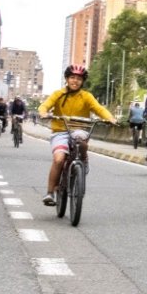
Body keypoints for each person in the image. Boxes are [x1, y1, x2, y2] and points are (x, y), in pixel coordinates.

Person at [36, 64, 116, 206]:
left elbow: (99, 109)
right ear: (67, 79)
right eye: (72, 77)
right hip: (60, 131)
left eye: (79, 78)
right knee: (59, 159)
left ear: (83, 81)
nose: (75, 81)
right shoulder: (58, 94)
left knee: (81, 140)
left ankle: (83, 160)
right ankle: (50, 193)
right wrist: (43, 112)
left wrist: (110, 118)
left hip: (79, 128)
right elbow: (45, 105)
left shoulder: (86, 96)